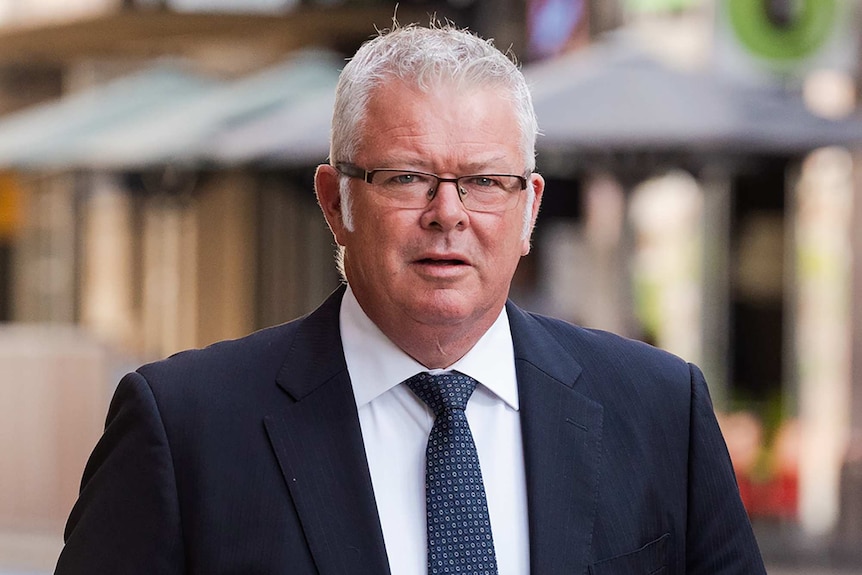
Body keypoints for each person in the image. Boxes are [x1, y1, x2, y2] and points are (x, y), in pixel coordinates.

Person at [55, 22, 766, 575]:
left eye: (485, 181)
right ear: (336, 202)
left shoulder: (662, 411)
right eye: (405, 177)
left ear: (529, 209)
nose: (447, 213)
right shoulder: (185, 430)